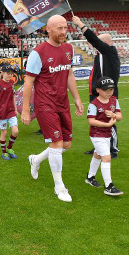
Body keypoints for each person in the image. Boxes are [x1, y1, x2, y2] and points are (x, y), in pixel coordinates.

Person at [22, 15, 84, 203]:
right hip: (45, 104)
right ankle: (60, 187)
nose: (63, 32)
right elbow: (28, 82)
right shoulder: (38, 52)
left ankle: (36, 160)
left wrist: (77, 98)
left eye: (65, 28)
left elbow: (69, 74)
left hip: (62, 103)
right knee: (56, 145)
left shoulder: (68, 48)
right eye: (59, 28)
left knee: (65, 144)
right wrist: (25, 110)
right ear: (47, 29)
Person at [71, 16, 121, 158]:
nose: (93, 45)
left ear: (104, 43)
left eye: (99, 42)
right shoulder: (99, 55)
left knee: (108, 120)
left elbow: (93, 39)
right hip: (96, 93)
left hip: (107, 93)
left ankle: (113, 149)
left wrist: (80, 24)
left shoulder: (109, 52)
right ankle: (99, 149)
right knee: (97, 120)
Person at [85, 77, 124, 196]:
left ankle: (90, 177)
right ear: (98, 90)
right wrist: (107, 124)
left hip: (107, 134)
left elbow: (120, 116)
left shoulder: (114, 101)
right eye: (106, 89)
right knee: (106, 157)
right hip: (97, 135)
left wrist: (113, 115)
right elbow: (91, 121)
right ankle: (109, 186)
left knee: (97, 154)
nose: (109, 92)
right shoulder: (94, 104)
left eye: (111, 89)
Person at [0, 66, 19, 161]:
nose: (10, 75)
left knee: (15, 131)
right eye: (8, 73)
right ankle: (4, 152)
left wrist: (15, 109)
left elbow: (13, 97)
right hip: (2, 112)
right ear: (2, 73)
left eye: (11, 73)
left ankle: (9, 148)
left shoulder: (12, 83)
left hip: (11, 111)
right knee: (4, 132)